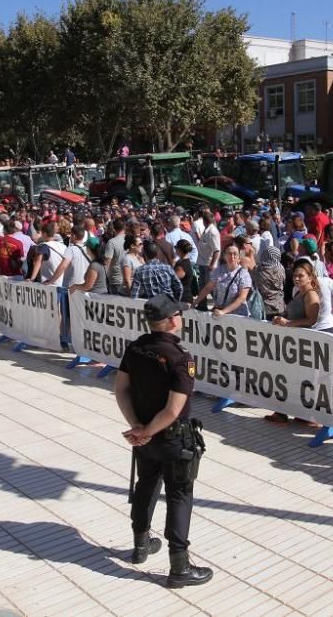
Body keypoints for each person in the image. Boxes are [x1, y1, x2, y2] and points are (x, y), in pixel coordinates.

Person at [114, 294, 213, 588]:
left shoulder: (136, 348)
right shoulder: (180, 358)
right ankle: (179, 567)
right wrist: (146, 431)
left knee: (145, 486)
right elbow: (172, 410)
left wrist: (137, 426)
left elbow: (121, 390)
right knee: (180, 496)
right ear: (172, 320)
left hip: (145, 436)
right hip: (172, 439)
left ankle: (141, 546)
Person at [192, 246, 251, 318]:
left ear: (239, 256)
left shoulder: (243, 274)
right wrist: (195, 303)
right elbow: (208, 288)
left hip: (237, 316)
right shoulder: (219, 270)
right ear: (225, 256)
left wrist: (224, 311)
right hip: (219, 312)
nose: (232, 256)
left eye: (235, 254)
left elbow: (242, 297)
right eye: (229, 253)